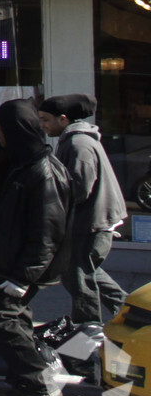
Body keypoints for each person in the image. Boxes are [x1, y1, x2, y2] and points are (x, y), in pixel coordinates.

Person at [0, 97, 71, 396]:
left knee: (0, 318)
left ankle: (41, 388)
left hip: (25, 269)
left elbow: (47, 234)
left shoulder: (44, 171)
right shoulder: (18, 165)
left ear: (16, 129)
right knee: (17, 323)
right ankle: (21, 389)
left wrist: (21, 278)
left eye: (2, 128)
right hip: (11, 266)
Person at [38, 93, 128, 333]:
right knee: (86, 272)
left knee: (78, 279)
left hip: (91, 224)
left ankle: (88, 333)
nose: (43, 125)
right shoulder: (77, 140)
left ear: (63, 119)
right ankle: (132, 313)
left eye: (46, 119)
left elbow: (79, 188)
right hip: (94, 222)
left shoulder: (78, 144)